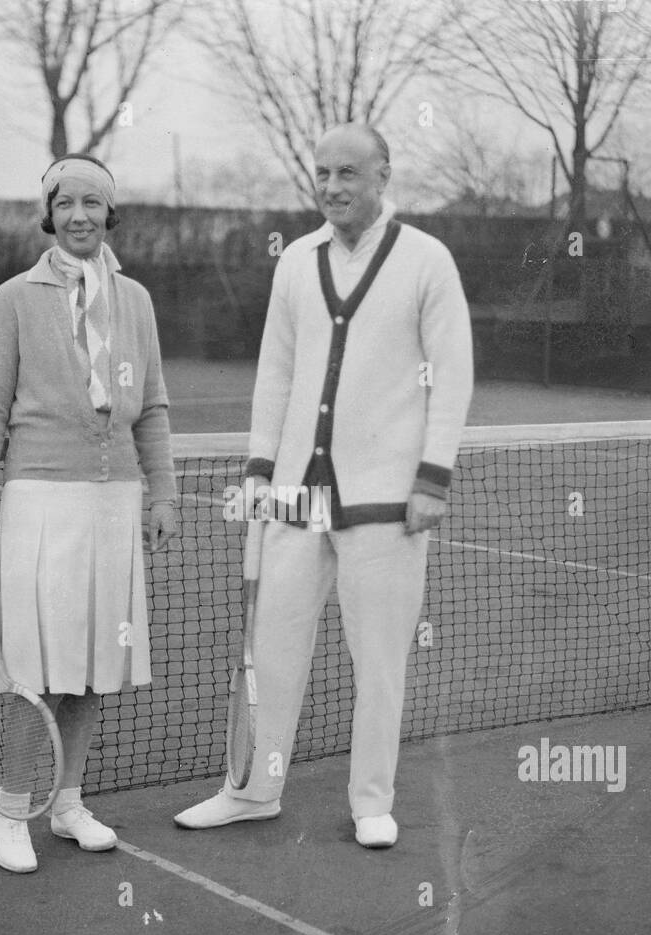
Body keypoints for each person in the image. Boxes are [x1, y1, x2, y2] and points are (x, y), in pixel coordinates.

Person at [176, 123, 473, 848]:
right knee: (269, 650)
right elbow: (276, 371)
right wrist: (257, 467)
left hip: (388, 502)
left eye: (348, 172)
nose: (333, 186)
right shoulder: (296, 262)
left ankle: (372, 801)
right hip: (291, 499)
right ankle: (251, 790)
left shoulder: (427, 260)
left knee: (379, 663)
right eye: (323, 174)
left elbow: (453, 375)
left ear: (382, 176)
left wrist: (432, 478)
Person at [0, 153, 178, 873]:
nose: (79, 214)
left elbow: (156, 408)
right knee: (32, 668)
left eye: (92, 203)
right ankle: (11, 807)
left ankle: (68, 800)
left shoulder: (135, 301)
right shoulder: (13, 300)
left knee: (90, 665)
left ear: (110, 215)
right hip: (39, 505)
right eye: (64, 203)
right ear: (47, 215)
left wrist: (163, 492)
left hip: (115, 507)